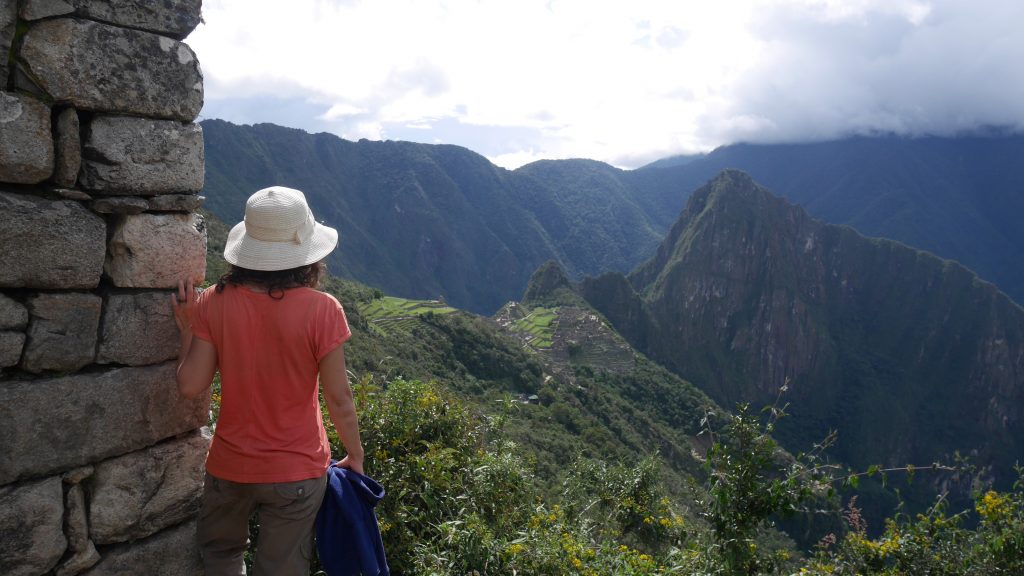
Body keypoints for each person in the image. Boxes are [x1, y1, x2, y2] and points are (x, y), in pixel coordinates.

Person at [171, 186, 364, 576]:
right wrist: (355, 454)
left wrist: (187, 329)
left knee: (221, 557)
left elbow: (190, 386)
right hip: (296, 471)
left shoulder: (213, 301)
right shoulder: (323, 310)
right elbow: (339, 398)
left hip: (229, 467)